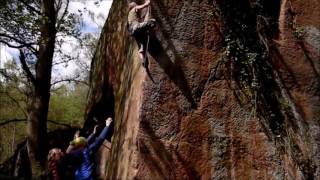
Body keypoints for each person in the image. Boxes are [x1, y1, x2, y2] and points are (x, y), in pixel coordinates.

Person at [127, 0, 156, 67]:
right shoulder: (134, 8)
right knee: (153, 22)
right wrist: (147, 2)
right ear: (133, 6)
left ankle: (143, 60)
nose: (137, 5)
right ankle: (150, 33)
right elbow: (144, 5)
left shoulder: (129, 16)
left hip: (133, 32)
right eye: (135, 4)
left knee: (141, 47)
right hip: (136, 27)